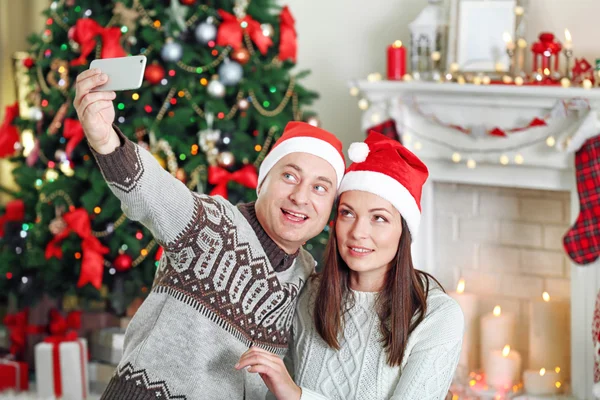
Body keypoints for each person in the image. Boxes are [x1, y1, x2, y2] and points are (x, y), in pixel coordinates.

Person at [73, 68, 346, 399]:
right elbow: (153, 192)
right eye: (290, 176)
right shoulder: (211, 225)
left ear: (330, 207)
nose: (301, 196)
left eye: (320, 188)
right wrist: (106, 140)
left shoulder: (305, 277)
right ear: (263, 182)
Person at [237, 131, 465, 400]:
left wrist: (297, 396)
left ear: (404, 232)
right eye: (347, 213)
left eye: (379, 218)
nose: (358, 232)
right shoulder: (307, 293)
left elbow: (288, 392)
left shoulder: (436, 316)